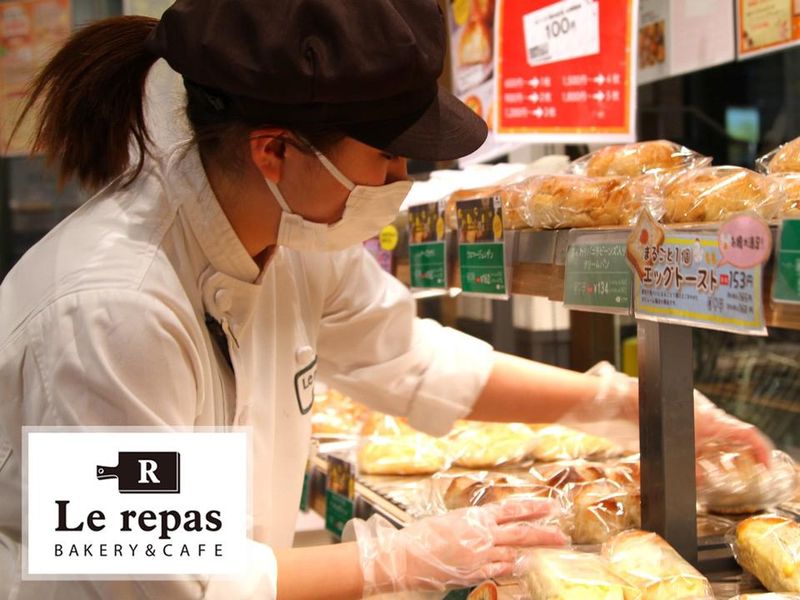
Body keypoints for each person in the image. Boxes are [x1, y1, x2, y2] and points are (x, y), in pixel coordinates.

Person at [0, 1, 771, 598]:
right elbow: (164, 580)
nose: (403, 181)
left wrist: (626, 403)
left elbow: (413, 359)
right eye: (387, 158)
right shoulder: (111, 310)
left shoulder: (292, 236)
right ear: (274, 150)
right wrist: (396, 560)